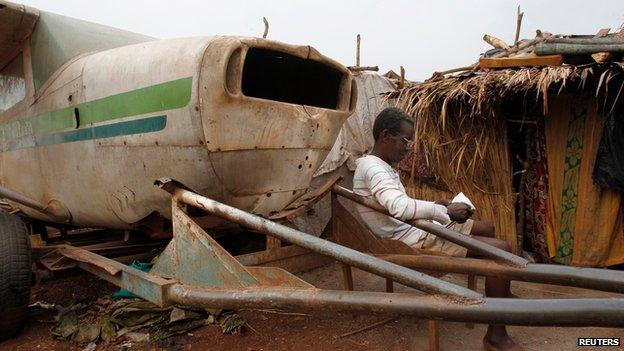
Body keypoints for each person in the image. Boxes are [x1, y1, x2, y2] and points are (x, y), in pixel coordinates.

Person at [353, 107, 521, 351]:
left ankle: (499, 290)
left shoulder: (380, 166)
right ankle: (495, 336)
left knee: (488, 227)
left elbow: (396, 205)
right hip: (412, 238)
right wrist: (443, 212)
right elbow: (398, 207)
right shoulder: (374, 168)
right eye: (405, 141)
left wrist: (435, 205)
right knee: (501, 251)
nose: (408, 147)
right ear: (386, 136)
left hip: (417, 228)